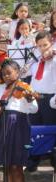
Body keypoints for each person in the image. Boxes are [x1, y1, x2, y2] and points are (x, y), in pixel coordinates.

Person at [26, 31, 56, 172]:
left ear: (51, 43)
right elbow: (32, 77)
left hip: (50, 98)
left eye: (45, 45)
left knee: (50, 128)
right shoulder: (36, 59)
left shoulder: (54, 58)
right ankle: (33, 159)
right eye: (39, 46)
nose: (43, 48)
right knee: (34, 129)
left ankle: (52, 157)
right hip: (35, 97)